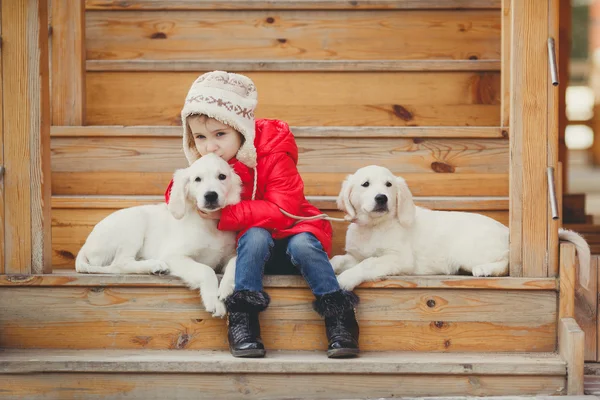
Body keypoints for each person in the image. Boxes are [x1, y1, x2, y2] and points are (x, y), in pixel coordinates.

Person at [164, 71, 360, 358]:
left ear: (241, 128)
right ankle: (243, 319)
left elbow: (284, 209)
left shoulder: (273, 151)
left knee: (304, 244)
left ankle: (339, 317)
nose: (210, 146)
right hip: (253, 249)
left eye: (220, 134)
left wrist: (224, 216)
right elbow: (176, 189)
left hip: (292, 230)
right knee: (254, 236)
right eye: (200, 137)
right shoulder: (209, 163)